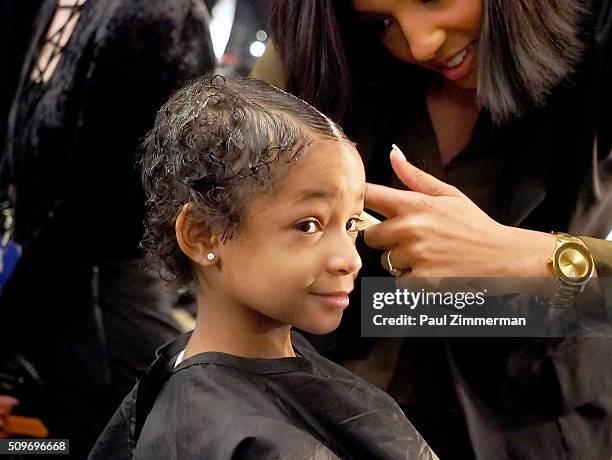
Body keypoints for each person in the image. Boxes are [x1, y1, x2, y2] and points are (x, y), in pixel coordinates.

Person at [253, 0, 612, 458]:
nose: (421, 45)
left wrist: (531, 260)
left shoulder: (596, 38)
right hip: (324, 410)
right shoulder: (322, 45)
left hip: (534, 415)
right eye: (382, 22)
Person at [88, 75, 438, 460]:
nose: (350, 260)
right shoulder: (224, 435)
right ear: (203, 234)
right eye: (309, 225)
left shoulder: (238, 389)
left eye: (352, 224)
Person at [0, 0, 215, 456]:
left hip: (105, 283)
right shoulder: (48, 9)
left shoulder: (159, 16)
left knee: (107, 433)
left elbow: (121, 194)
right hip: (44, 270)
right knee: (45, 436)